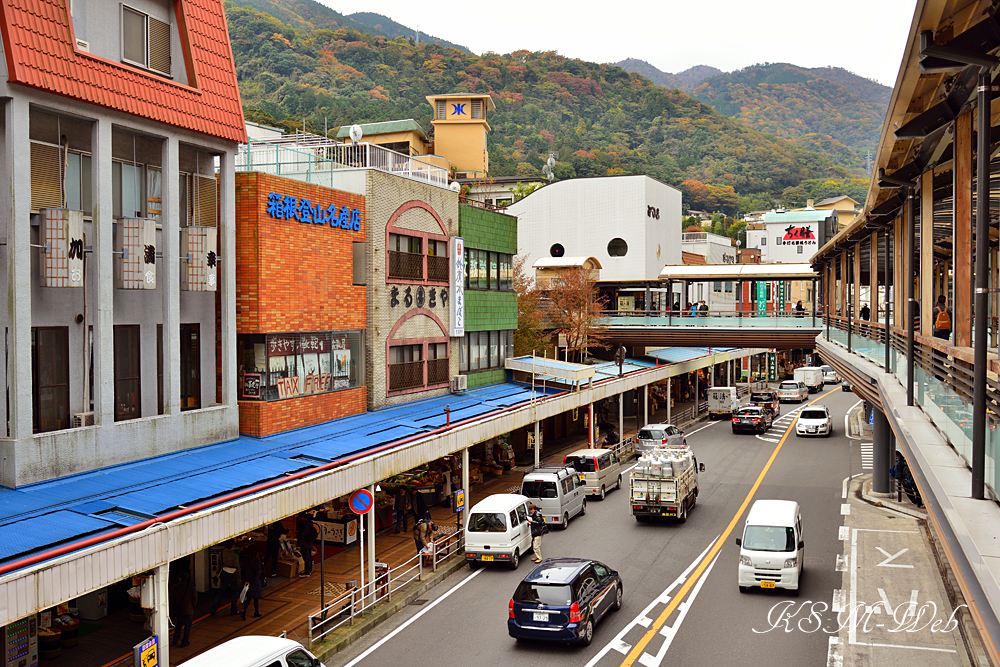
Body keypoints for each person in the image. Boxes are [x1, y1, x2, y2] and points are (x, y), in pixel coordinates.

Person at [211, 540, 241, 616]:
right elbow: (237, 568)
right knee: (234, 593)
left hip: (224, 575)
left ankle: (214, 609)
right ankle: (234, 610)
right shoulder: (234, 556)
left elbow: (219, 565)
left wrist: (218, 572)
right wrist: (239, 578)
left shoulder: (221, 554)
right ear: (232, 546)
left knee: (221, 593)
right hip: (233, 576)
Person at [170, 570, 197, 647]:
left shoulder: (175, 587)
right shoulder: (191, 586)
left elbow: (172, 599)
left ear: (179, 578)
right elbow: (194, 597)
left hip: (179, 609)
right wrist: (193, 606)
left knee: (179, 625)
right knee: (188, 626)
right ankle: (184, 641)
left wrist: (174, 607)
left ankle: (175, 639)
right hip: (189, 610)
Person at [240, 553, 264, 620]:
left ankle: (243, 611)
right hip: (255, 583)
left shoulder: (246, 562)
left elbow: (242, 572)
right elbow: (258, 574)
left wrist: (245, 581)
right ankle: (256, 612)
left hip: (247, 583)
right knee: (256, 599)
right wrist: (252, 581)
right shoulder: (257, 563)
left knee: (249, 598)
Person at [296, 514, 318, 578]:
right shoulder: (310, 523)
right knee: (309, 557)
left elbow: (302, 536)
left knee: (306, 558)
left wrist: (299, 545)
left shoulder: (304, 525)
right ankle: (309, 571)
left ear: (302, 517)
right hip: (309, 542)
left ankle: (307, 572)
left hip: (305, 543)